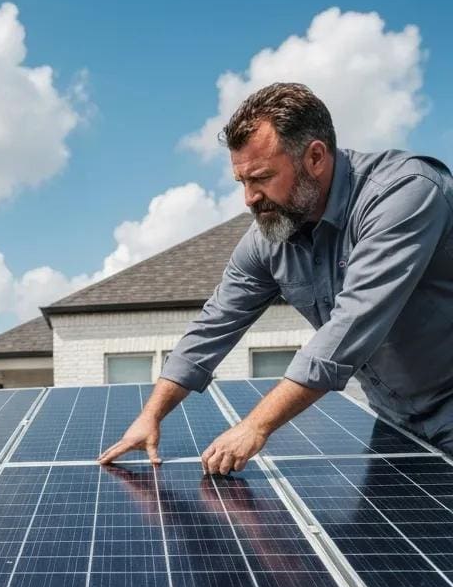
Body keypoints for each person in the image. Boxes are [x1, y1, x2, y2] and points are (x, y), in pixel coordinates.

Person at [97, 82, 453, 474]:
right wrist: (152, 415)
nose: (249, 197)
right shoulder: (271, 235)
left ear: (315, 157)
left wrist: (255, 426)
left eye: (262, 178)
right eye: (242, 182)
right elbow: (215, 323)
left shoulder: (403, 196)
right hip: (394, 417)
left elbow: (349, 329)